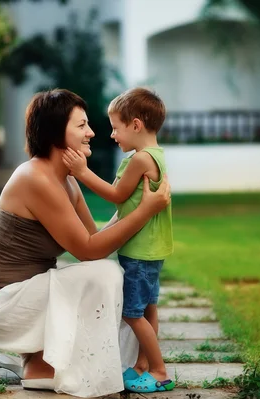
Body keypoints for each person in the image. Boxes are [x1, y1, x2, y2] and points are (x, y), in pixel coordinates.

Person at [0, 88, 171, 398]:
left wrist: (138, 207)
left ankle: (37, 363)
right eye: (81, 125)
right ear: (55, 132)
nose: (91, 132)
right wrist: (144, 211)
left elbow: (96, 240)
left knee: (119, 285)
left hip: (27, 292)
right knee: (106, 275)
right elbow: (89, 250)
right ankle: (42, 362)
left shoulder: (66, 179)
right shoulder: (36, 178)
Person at [62, 87, 174, 393]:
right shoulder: (156, 155)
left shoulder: (140, 160)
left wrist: (82, 173)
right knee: (149, 309)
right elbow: (129, 205)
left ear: (136, 125)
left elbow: (116, 195)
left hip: (139, 252)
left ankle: (160, 371)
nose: (112, 135)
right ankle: (142, 366)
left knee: (132, 313)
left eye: (116, 128)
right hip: (150, 249)